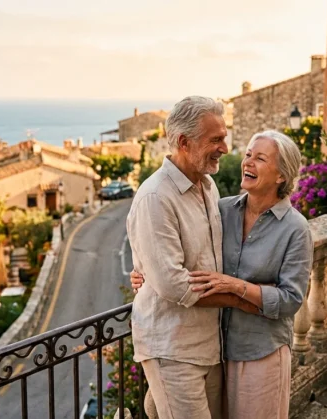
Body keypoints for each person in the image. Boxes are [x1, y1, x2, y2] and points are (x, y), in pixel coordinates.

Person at [131, 129, 313, 419]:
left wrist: (238, 287)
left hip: (261, 352)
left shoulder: (295, 229)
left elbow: (291, 299)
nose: (247, 162)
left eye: (260, 158)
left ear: (281, 175)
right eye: (248, 155)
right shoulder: (223, 210)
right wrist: (145, 271)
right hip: (218, 352)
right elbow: (179, 248)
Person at [127, 96, 259, 419]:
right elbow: (175, 285)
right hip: (172, 349)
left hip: (207, 345)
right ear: (184, 143)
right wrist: (243, 298)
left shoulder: (209, 186)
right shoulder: (156, 198)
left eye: (224, 138)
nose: (225, 148)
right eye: (216, 139)